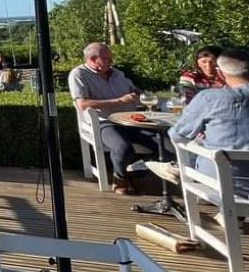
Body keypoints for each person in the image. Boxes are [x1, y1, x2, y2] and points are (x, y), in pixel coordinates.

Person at [68, 42, 156, 194]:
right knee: (123, 147)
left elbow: (135, 91)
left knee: (165, 144)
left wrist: (141, 95)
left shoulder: (117, 74)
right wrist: (119, 101)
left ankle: (135, 171)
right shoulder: (79, 74)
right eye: (107, 59)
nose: (111, 62)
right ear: (93, 59)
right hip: (105, 122)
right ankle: (120, 178)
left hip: (131, 120)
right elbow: (82, 104)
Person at [165, 48, 249, 197]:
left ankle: (174, 168)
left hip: (222, 181)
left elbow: (177, 135)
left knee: (196, 144)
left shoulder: (209, 98)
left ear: (220, 74)